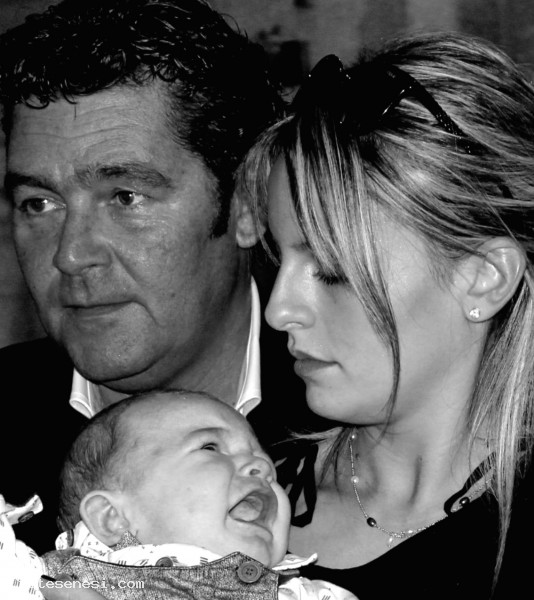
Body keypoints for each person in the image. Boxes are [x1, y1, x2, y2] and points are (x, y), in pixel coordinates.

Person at [0, 0, 326, 552]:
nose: (71, 255)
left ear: (246, 204)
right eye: (39, 204)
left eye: (125, 197)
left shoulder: (354, 425)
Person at [239, 31, 534, 599]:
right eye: (279, 259)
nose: (278, 310)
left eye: (331, 269)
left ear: (485, 277)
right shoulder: (231, 493)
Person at [0, 390, 356, 600]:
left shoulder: (302, 593)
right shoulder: (65, 579)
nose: (262, 467)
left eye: (263, 460)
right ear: (113, 518)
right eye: (211, 447)